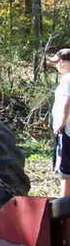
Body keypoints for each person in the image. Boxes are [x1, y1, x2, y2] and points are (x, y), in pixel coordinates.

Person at [49, 48, 70, 197]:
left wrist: (61, 124)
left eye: (57, 62)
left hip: (67, 130)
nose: (56, 65)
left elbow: (67, 101)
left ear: (63, 62)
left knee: (65, 171)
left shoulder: (68, 78)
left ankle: (64, 202)